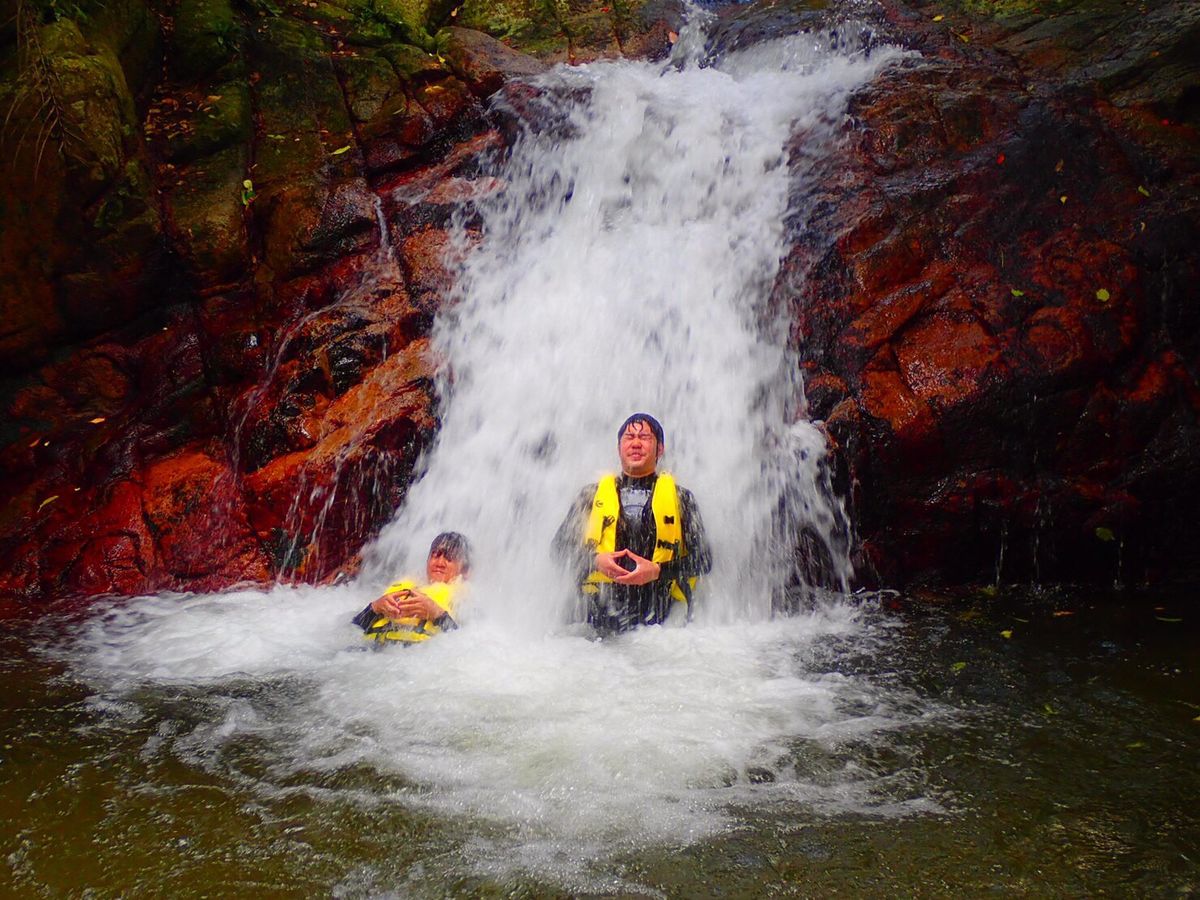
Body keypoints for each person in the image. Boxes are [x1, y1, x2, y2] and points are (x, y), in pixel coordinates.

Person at [553, 413, 711, 634]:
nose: (636, 443)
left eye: (645, 437)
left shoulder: (682, 499)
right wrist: (595, 560)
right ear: (619, 448)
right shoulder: (590, 497)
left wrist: (658, 571)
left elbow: (704, 561)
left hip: (660, 626)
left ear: (660, 449)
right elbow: (558, 550)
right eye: (629, 437)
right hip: (593, 622)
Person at [352, 531, 471, 644]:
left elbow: (465, 644)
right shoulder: (405, 588)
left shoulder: (465, 601)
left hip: (424, 655)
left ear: (464, 570)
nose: (439, 563)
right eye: (435, 555)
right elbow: (352, 629)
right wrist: (374, 608)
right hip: (371, 651)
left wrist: (438, 615)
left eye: (449, 558)